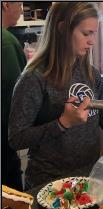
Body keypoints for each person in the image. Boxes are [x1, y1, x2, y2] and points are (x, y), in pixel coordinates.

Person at [8, 2, 103, 190]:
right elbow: (16, 138)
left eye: (94, 33)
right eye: (86, 33)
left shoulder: (91, 73)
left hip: (91, 177)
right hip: (50, 184)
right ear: (63, 29)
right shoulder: (34, 78)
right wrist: (62, 123)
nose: (92, 41)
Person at [2, 1, 26, 191]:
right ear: (5, 4)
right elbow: (19, 96)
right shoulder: (7, 42)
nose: (21, 8)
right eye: (19, 3)